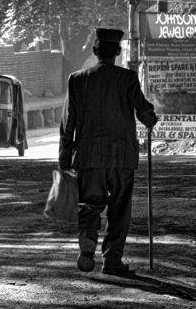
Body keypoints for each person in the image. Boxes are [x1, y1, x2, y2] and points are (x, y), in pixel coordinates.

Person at [59, 27, 159, 277]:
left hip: (89, 156)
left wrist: (65, 158)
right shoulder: (128, 78)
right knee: (119, 209)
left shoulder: (76, 79)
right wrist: (150, 117)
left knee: (90, 204)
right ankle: (112, 260)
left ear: (94, 51)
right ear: (118, 52)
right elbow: (144, 113)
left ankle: (88, 237)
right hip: (122, 156)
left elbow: (67, 122)